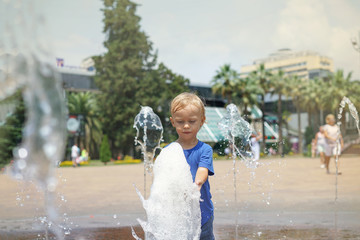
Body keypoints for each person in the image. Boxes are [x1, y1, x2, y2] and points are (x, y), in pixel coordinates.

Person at [170, 92, 215, 240]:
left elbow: (203, 171)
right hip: (178, 212)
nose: (186, 125)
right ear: (173, 122)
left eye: (192, 121)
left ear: (202, 121)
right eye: (180, 121)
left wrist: (196, 185)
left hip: (203, 212)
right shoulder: (169, 151)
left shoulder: (205, 150)